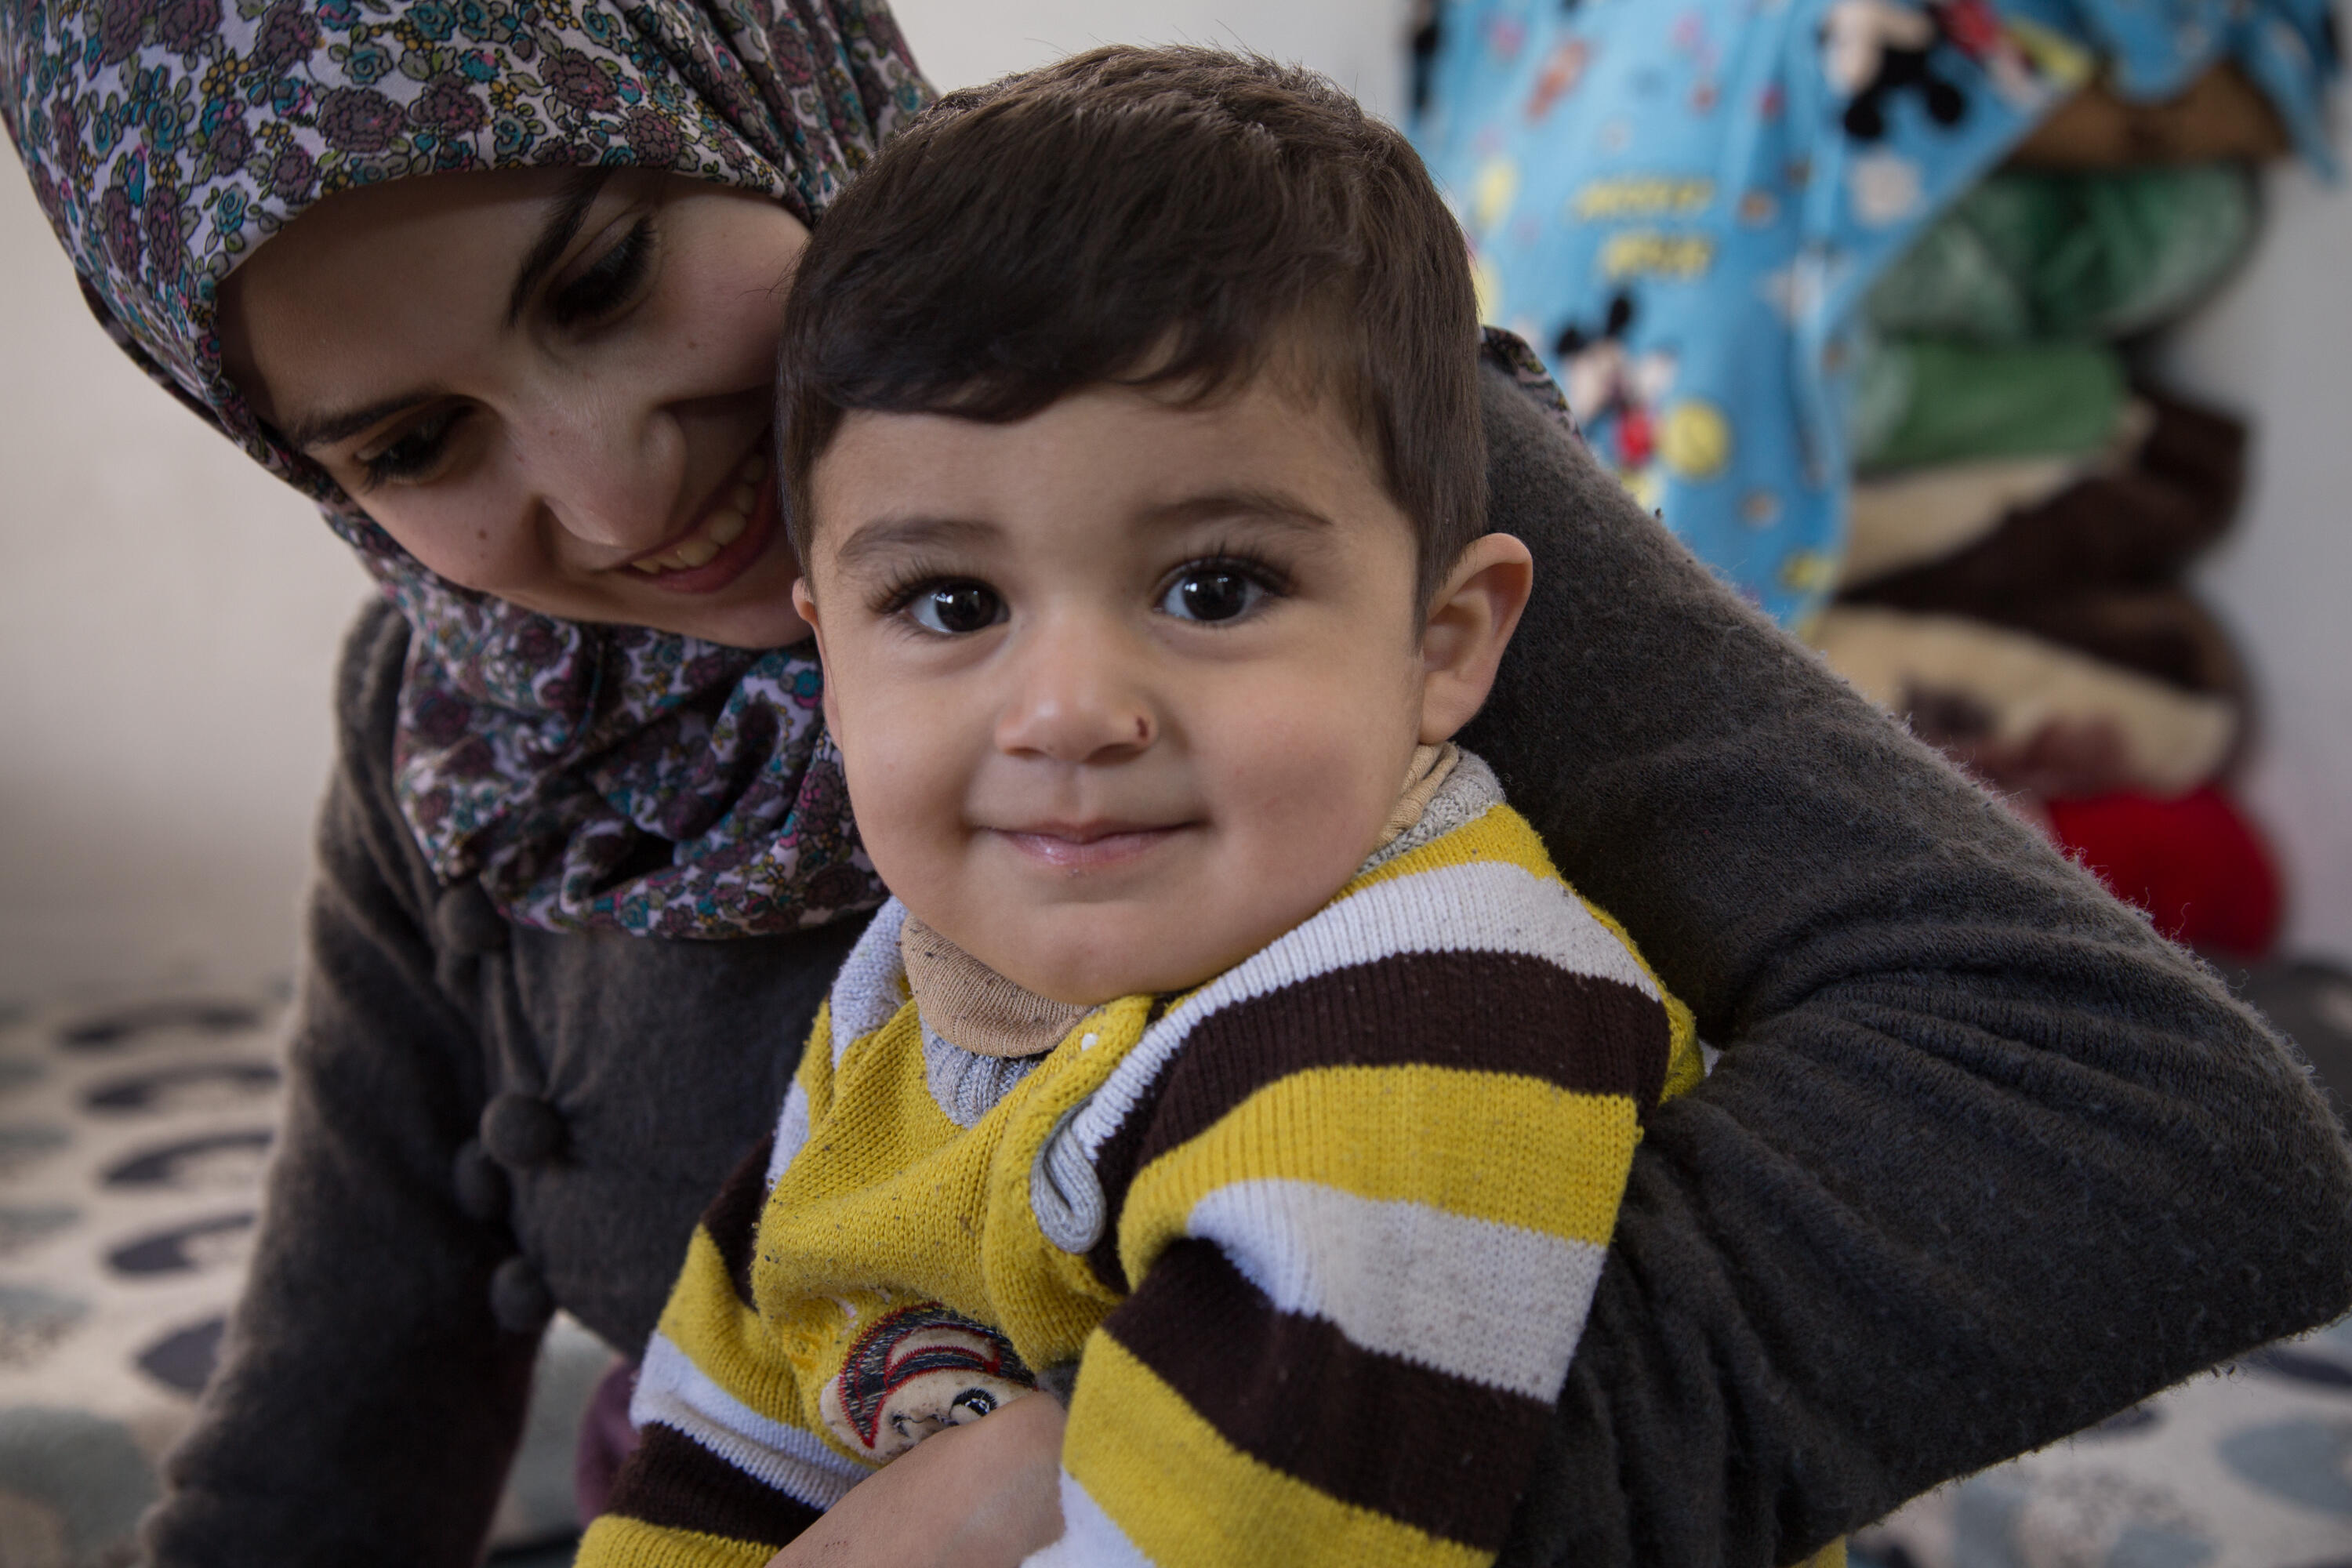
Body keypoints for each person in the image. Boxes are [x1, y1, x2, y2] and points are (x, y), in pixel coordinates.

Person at [1, 0, 2345, 1564]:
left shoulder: (1285, 481)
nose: (613, 498)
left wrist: (1152, 1479)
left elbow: (2146, 1137)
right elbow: (341, 1426)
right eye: (415, 444)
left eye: (607, 275)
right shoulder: (467, 733)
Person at [579, 48, 1717, 1567]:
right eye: (950, 599)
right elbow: (739, 1409)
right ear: (832, 670)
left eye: (1213, 586)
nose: (1066, 711)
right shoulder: (908, 995)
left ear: (1442, 644)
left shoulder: (1437, 1009)